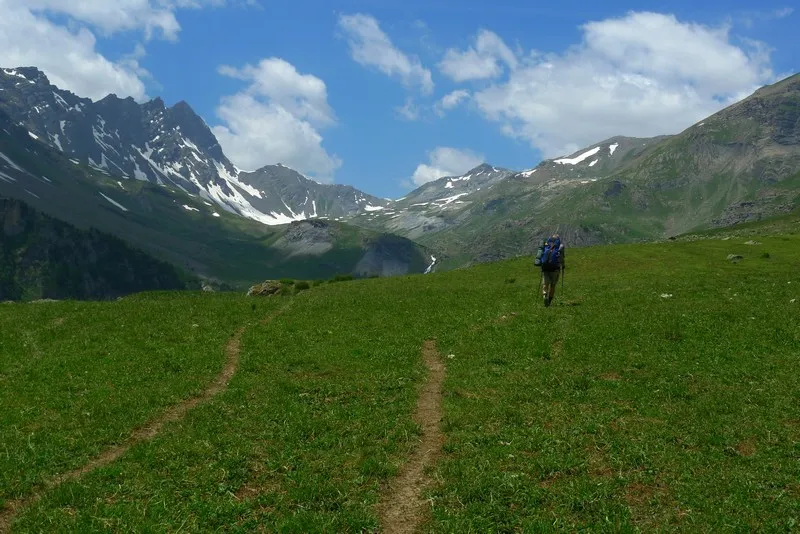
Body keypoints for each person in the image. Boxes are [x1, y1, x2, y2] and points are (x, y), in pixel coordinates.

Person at [540, 235, 565, 307]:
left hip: (545, 268)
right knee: (553, 285)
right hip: (555, 269)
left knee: (545, 284)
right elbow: (561, 257)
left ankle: (545, 296)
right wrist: (562, 266)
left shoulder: (546, 245)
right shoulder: (560, 246)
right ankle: (549, 302)